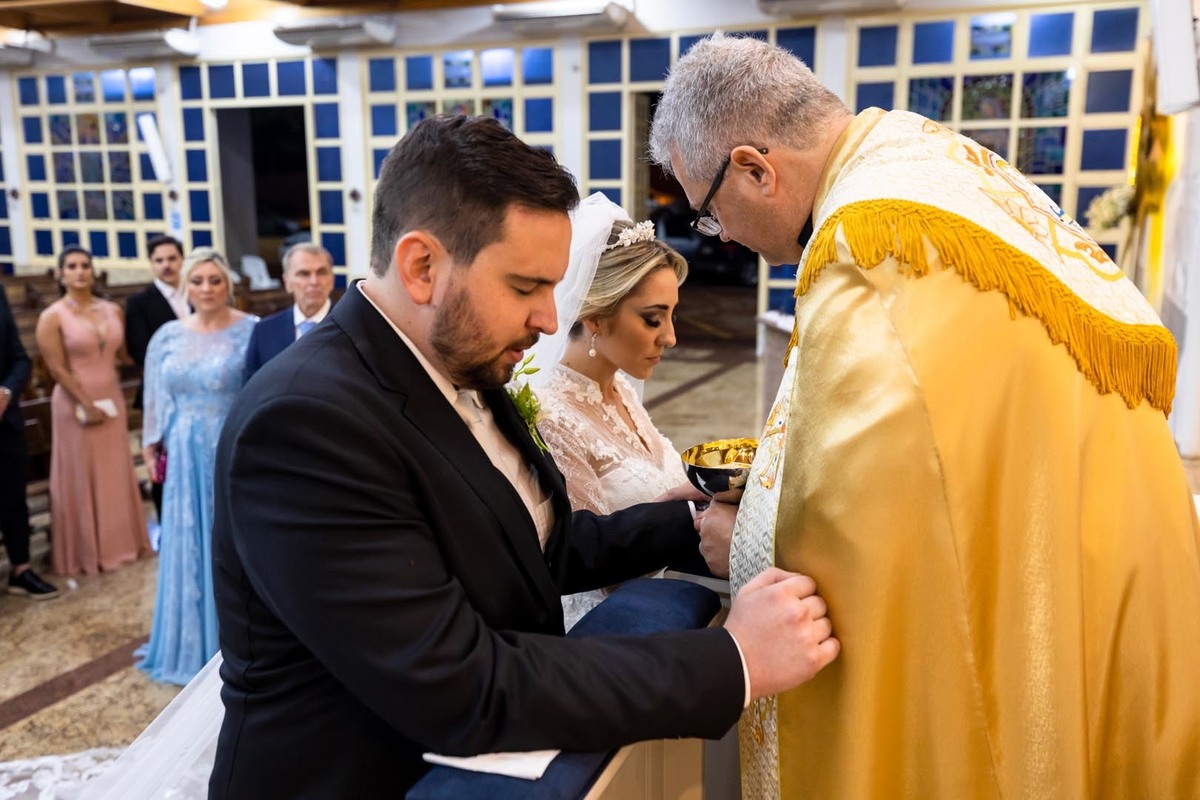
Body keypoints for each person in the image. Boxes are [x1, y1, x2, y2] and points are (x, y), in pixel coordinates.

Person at [202, 114, 838, 799]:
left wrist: (686, 528)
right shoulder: (305, 424)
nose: (546, 318)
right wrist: (733, 658)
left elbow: (534, 548)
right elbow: (460, 684)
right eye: (526, 286)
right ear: (422, 267)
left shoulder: (457, 359)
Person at [650, 33, 1200, 799]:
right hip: (1115, 548)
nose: (726, 240)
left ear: (754, 168)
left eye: (710, 215)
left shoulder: (864, 253)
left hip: (1038, 580)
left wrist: (736, 537)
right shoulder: (927, 159)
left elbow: (863, 519)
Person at [529, 192, 702, 627]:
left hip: (664, 613)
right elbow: (589, 564)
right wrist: (691, 518)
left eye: (672, 316)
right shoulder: (551, 415)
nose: (670, 337)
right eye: (653, 319)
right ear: (595, 317)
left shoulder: (620, 387)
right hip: (608, 637)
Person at [138, 248, 255, 685]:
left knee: (230, 539)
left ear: (228, 284)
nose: (206, 289)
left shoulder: (251, 331)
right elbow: (156, 395)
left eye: (215, 280)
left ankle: (236, 638)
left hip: (232, 446)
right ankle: (188, 642)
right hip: (183, 448)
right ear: (186, 286)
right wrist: (150, 445)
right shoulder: (167, 335)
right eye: (198, 281)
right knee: (188, 541)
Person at [35, 246, 150, 576]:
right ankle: (87, 553)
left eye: (85, 265)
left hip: (110, 396)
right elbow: (56, 369)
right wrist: (85, 403)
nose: (80, 271)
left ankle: (124, 544)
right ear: (61, 274)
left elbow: (126, 356)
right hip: (74, 402)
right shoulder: (52, 316)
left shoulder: (113, 309)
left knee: (114, 470)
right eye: (72, 266)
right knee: (83, 474)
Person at [125, 235, 189, 524]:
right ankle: (167, 526)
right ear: (151, 264)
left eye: (172, 258)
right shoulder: (139, 303)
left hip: (201, 393)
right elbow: (140, 350)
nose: (166, 265)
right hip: (160, 393)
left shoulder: (197, 293)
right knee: (163, 465)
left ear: (182, 260)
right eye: (159, 260)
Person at [0, 283, 58, 598]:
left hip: (3, 417)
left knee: (12, 497)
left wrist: (7, 391)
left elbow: (19, 358)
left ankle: (21, 569)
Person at [242, 242, 335, 383]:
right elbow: (250, 390)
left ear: (332, 279)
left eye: (321, 272)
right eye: (304, 274)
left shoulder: (352, 326)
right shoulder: (265, 331)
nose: (314, 281)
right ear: (287, 282)